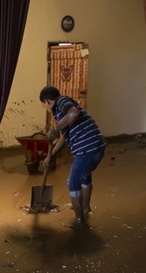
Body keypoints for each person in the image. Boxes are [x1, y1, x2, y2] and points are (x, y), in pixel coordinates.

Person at [40, 86, 107, 227]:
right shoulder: (60, 114)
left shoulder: (61, 101)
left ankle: (79, 220)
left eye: (43, 105)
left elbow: (74, 113)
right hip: (96, 146)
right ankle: (85, 208)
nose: (44, 108)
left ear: (47, 101)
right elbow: (64, 137)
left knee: (73, 182)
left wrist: (55, 128)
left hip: (87, 148)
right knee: (85, 176)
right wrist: (50, 156)